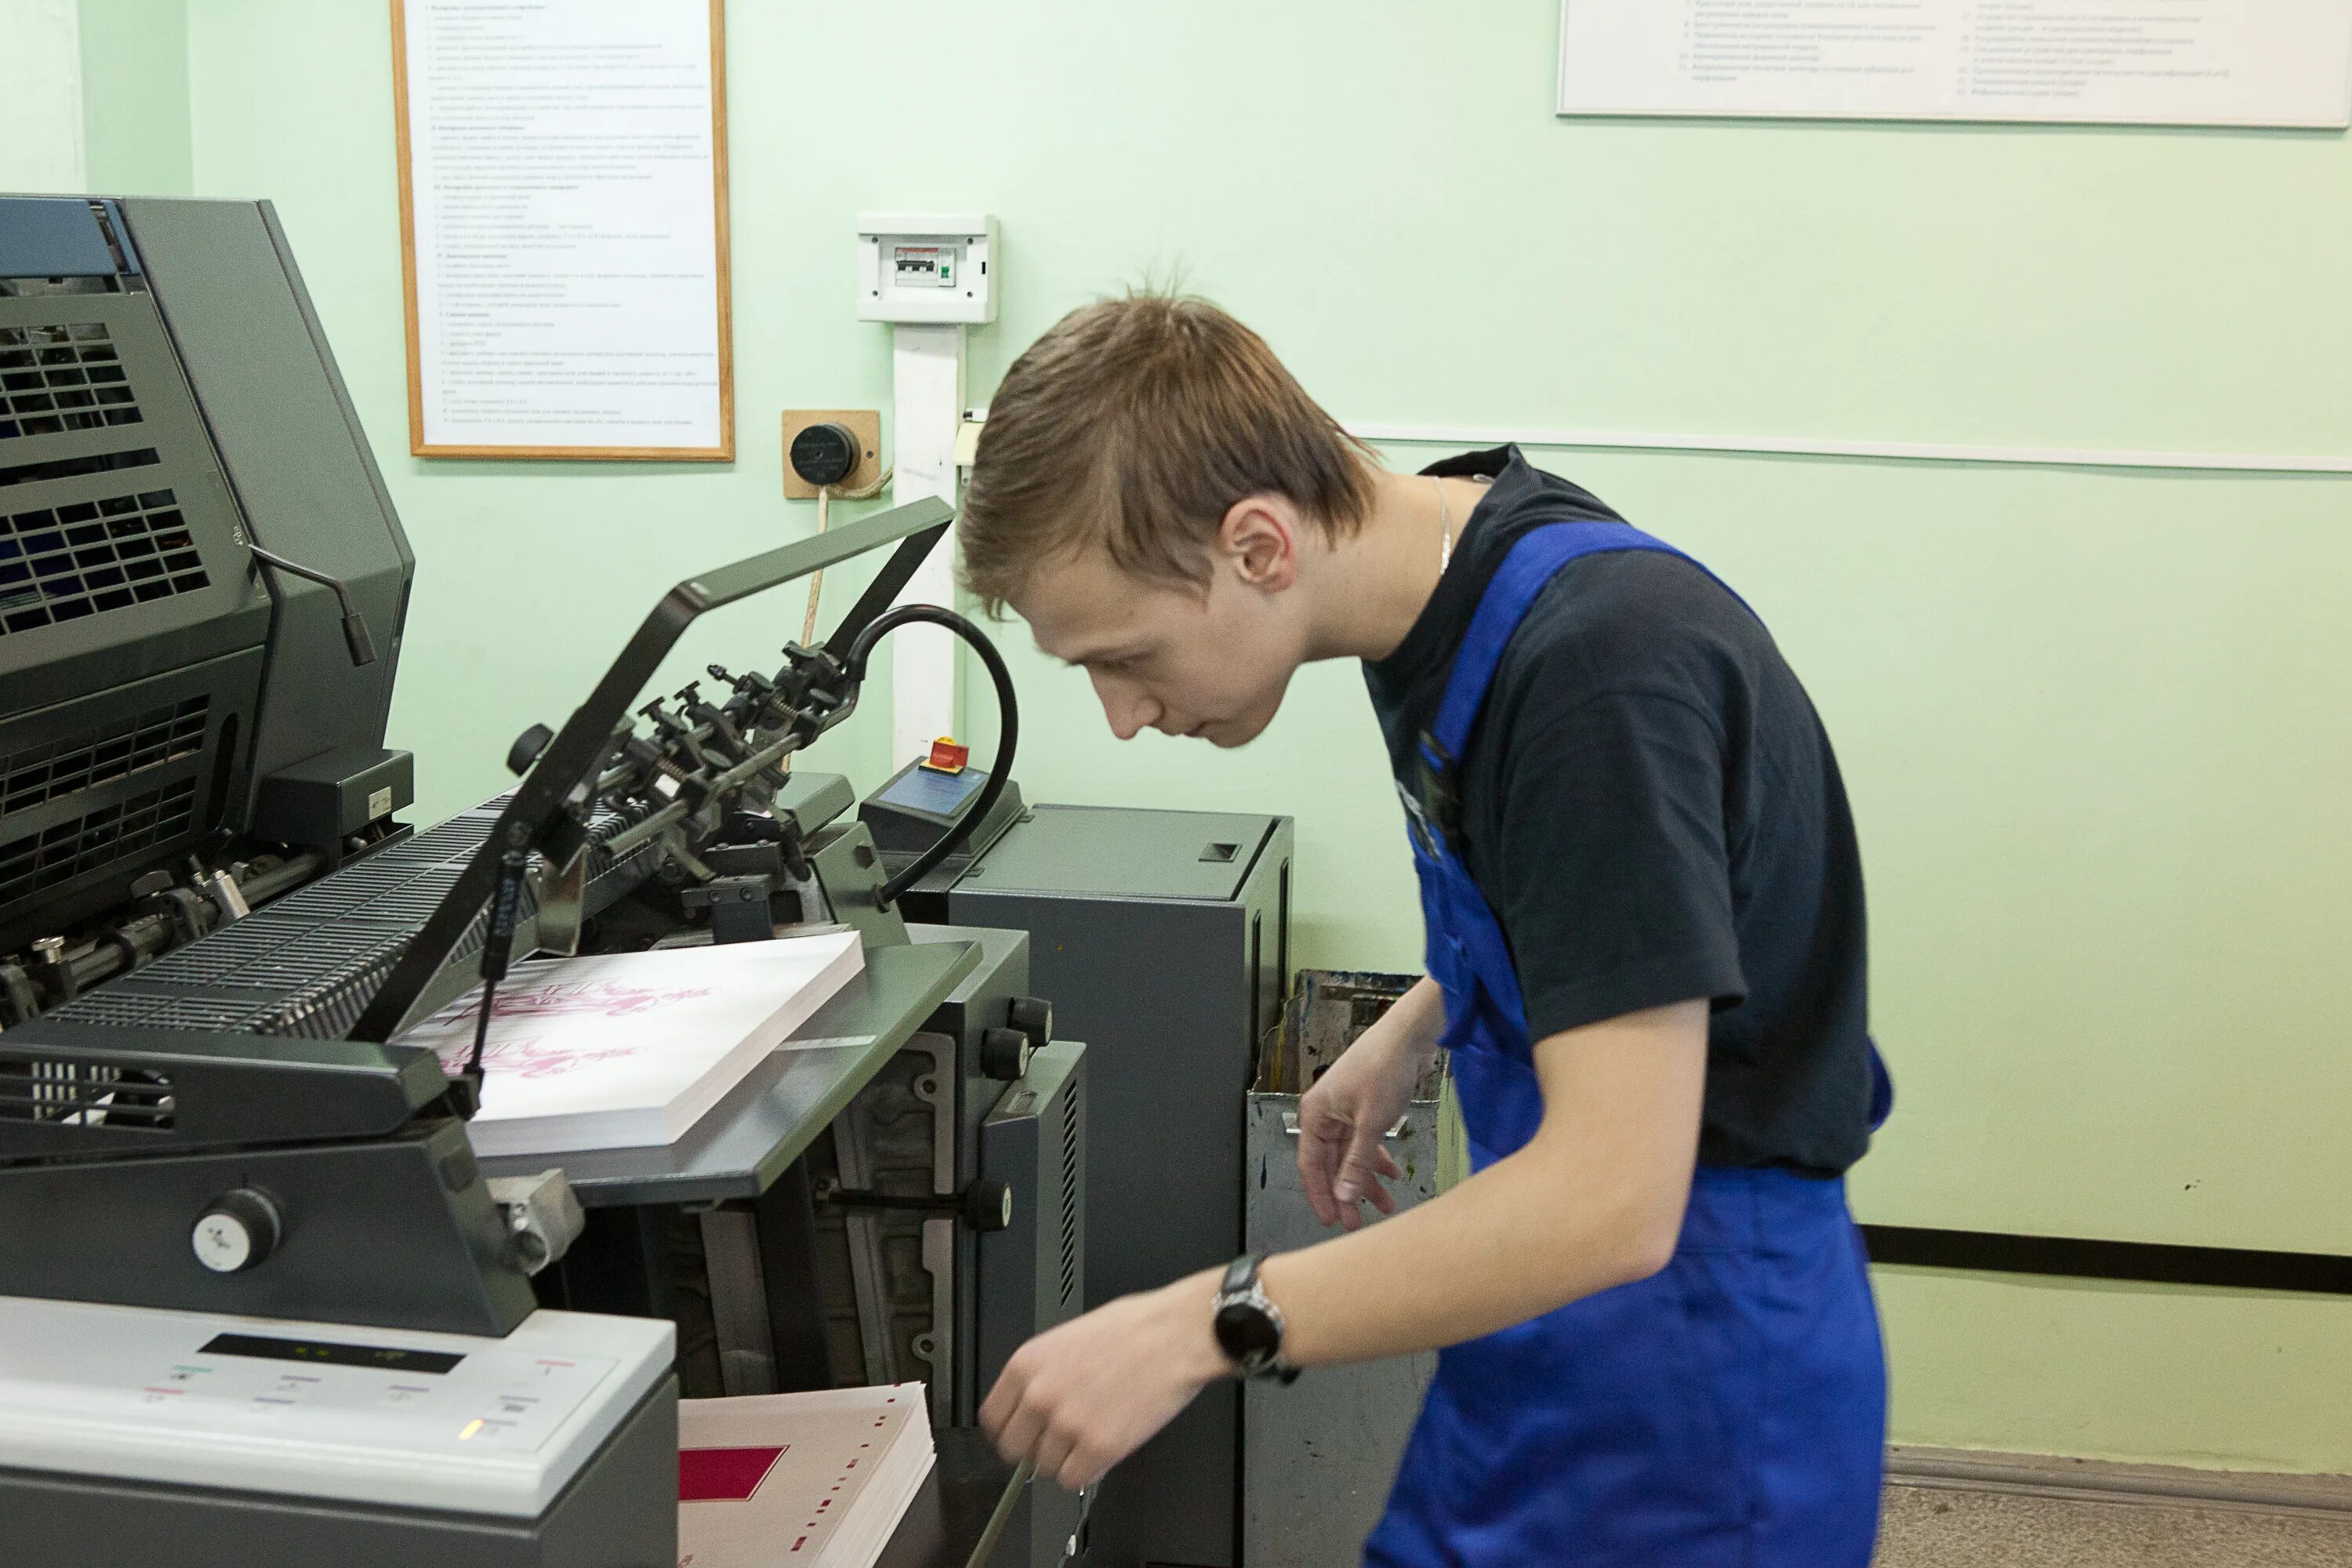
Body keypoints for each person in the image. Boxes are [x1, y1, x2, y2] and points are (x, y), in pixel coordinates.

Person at [960, 293, 1891, 1566]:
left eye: (1125, 658)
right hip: (1554, 1316)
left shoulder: (1599, 669)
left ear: (1259, 546)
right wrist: (1423, 1015)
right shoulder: (1453, 568)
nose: (1124, 716)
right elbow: (1620, 892)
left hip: (1698, 1362)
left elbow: (1616, 1201)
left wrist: (1205, 1322)